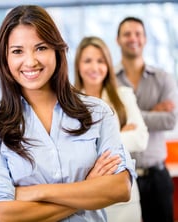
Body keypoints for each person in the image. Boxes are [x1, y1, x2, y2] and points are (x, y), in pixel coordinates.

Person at [0, 5, 136, 222]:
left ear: (57, 51)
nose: (30, 61)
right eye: (17, 51)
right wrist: (87, 189)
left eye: (41, 48)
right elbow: (3, 215)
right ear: (5, 59)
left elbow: (120, 189)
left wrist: (36, 192)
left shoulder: (98, 113)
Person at [74, 36, 149, 222]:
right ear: (78, 65)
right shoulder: (70, 102)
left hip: (125, 196)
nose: (94, 67)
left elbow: (141, 139)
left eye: (100, 61)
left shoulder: (123, 95)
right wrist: (120, 135)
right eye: (88, 61)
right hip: (89, 195)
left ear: (108, 64)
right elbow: (72, 152)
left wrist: (93, 143)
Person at [115, 16, 178, 222]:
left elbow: (170, 120)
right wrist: (153, 111)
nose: (133, 38)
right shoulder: (109, 80)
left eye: (138, 34)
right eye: (127, 34)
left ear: (145, 39)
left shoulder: (163, 78)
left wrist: (130, 116)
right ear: (118, 40)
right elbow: (108, 124)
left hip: (157, 176)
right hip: (120, 177)